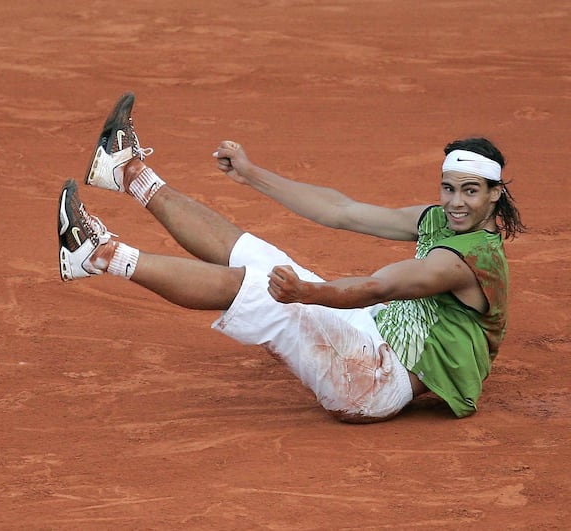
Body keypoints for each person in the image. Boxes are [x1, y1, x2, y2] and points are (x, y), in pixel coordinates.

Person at [58, 92, 525, 423]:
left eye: (470, 192)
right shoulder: (440, 218)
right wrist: (252, 174)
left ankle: (98, 255)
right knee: (256, 253)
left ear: (495, 193)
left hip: (374, 381)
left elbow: (380, 286)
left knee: (258, 288)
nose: (456, 202)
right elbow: (343, 210)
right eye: (449, 189)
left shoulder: (467, 260)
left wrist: (308, 294)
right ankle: (129, 173)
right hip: (376, 334)